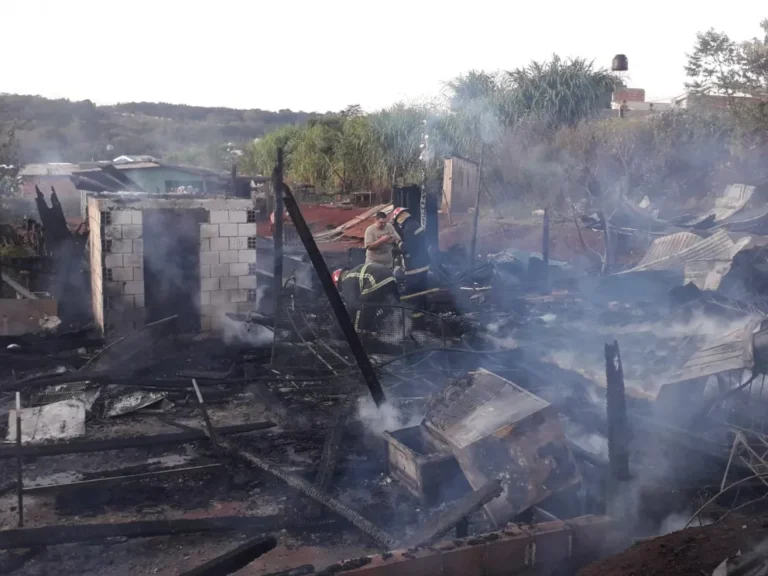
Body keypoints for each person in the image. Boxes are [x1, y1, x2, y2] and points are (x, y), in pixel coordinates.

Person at [332, 263, 399, 332]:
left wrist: (347, 320)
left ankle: (360, 334)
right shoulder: (355, 273)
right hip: (391, 278)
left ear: (339, 282)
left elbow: (353, 305)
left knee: (362, 307)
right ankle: (384, 329)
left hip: (376, 280)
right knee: (383, 307)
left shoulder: (348, 279)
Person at [391, 207, 430, 302]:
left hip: (414, 268)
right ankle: (424, 311)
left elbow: (407, 248)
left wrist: (398, 242)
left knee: (412, 294)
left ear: (399, 219)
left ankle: (415, 314)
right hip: (424, 264)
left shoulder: (408, 228)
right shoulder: (415, 224)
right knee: (422, 292)